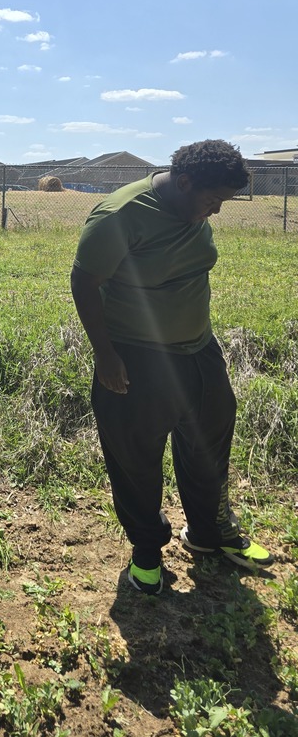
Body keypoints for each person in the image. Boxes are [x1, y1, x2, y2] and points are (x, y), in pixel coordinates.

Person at [70, 139, 273, 596]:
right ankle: (146, 550)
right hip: (136, 355)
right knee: (136, 458)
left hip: (198, 349)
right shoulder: (120, 215)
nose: (217, 211)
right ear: (183, 183)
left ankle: (209, 534)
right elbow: (84, 281)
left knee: (209, 443)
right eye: (212, 201)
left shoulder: (191, 209)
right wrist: (105, 355)